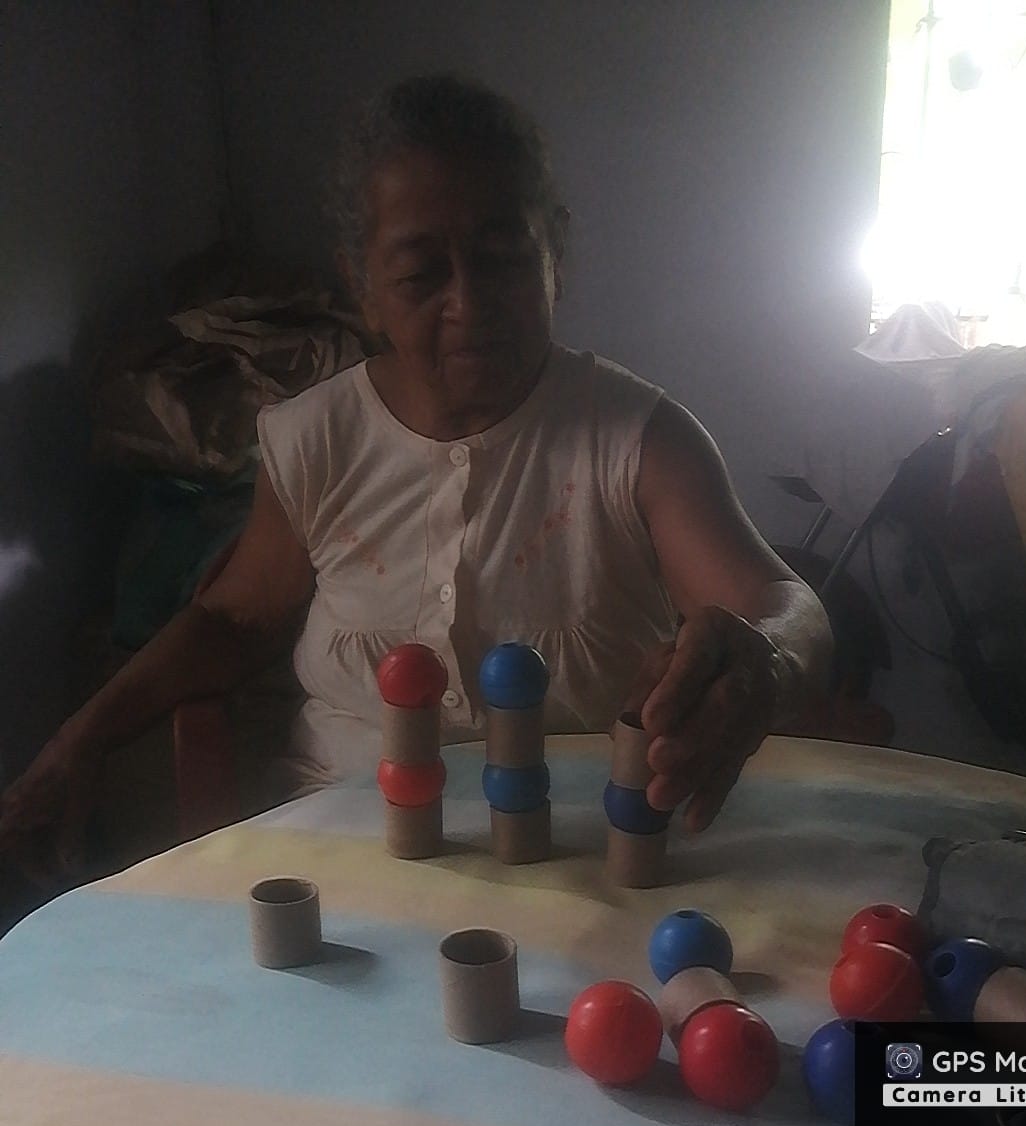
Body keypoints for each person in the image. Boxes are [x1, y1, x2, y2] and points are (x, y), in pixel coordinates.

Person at [0, 73, 831, 896]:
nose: (468, 302)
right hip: (344, 866)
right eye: (421, 273)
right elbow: (233, 618)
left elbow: (786, 607)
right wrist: (84, 737)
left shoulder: (638, 442)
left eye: (502, 256)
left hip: (582, 871)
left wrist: (766, 661)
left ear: (557, 253)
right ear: (363, 288)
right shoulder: (316, 442)